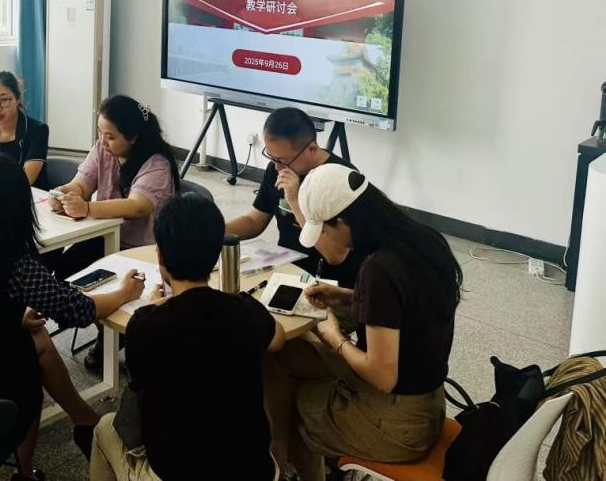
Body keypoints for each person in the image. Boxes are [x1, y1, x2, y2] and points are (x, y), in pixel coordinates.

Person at [0, 154, 144, 481]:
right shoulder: (15, 264)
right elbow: (77, 309)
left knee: (35, 335)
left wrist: (10, 318)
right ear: (19, 208)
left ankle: (84, 419)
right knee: (26, 368)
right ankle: (28, 470)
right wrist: (124, 293)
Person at [265, 164, 461, 480]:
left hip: (398, 424)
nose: (326, 238)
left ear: (343, 222)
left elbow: (382, 376)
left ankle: (286, 458)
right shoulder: (424, 239)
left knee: (297, 403)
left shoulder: (379, 270)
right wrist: (347, 296)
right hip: (427, 404)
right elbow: (407, 307)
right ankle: (283, 453)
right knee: (286, 355)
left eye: (325, 230)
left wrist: (335, 338)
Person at [90, 193, 285, 481]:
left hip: (174, 470)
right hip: (255, 471)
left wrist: (157, 305)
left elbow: (139, 387)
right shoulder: (245, 310)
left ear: (160, 257)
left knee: (104, 429)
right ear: (217, 254)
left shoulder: (146, 325)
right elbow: (277, 339)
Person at [48, 95, 180, 368]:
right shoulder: (103, 149)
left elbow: (138, 206)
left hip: (141, 248)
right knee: (65, 274)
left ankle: (113, 336)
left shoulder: (157, 163)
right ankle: (106, 330)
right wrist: (65, 193)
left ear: (132, 137)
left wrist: (87, 208)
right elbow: (82, 183)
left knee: (114, 284)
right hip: (106, 236)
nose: (103, 141)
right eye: (100, 133)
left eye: (110, 136)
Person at [225, 107, 362, 287]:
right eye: (271, 157)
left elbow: (336, 255)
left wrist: (296, 201)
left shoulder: (341, 178)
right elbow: (254, 220)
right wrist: (213, 232)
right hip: (285, 267)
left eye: (282, 160)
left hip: (329, 282)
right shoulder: (277, 169)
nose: (276, 167)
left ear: (312, 149)